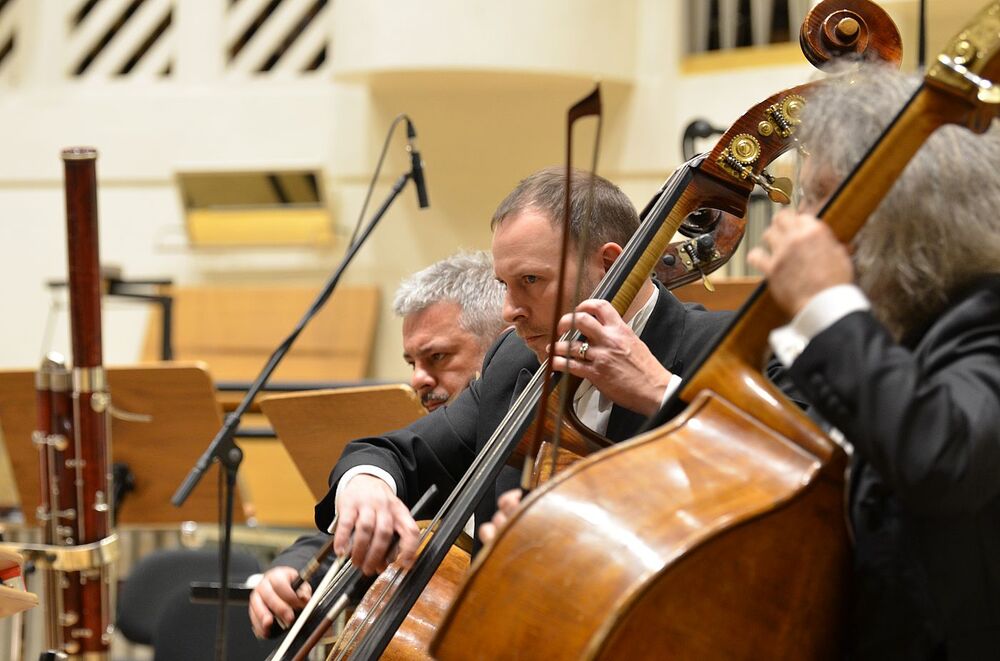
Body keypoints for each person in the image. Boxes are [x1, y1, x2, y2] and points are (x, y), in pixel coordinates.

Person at [315, 166, 735, 581]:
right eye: (505, 284)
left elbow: (770, 470)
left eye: (530, 280)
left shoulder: (729, 346)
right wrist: (366, 486)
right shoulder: (514, 360)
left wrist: (660, 392)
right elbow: (395, 453)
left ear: (609, 264)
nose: (509, 311)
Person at [746, 67, 1000, 659]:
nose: (799, 223)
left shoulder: (987, 316)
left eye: (820, 196)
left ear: (905, 207)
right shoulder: (893, 322)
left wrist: (828, 306)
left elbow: (941, 457)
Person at [248, 250, 505, 639]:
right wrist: (291, 571)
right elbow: (350, 537)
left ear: (500, 347)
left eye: (437, 357)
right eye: (412, 363)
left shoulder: (528, 448)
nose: (418, 380)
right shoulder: (430, 448)